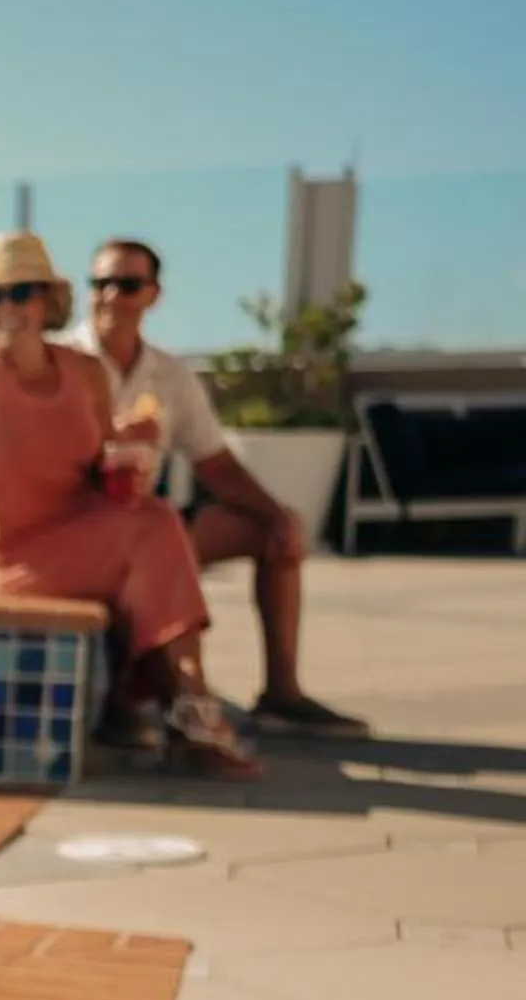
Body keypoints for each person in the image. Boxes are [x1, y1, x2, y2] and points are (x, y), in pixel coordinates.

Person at [0, 231, 257, 778]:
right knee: (155, 532)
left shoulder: (86, 374)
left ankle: (166, 710)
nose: (8, 308)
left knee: (154, 523)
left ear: (48, 299)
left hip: (89, 527)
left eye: (21, 293)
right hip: (22, 552)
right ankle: (189, 711)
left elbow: (97, 465)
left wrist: (131, 446)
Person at [70, 237, 365, 736]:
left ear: (153, 295)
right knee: (157, 559)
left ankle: (281, 693)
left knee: (274, 534)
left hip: (147, 527)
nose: (111, 296)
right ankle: (171, 703)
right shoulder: (65, 364)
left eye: (127, 284)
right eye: (99, 284)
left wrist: (278, 514)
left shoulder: (169, 375)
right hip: (82, 534)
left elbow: (216, 463)